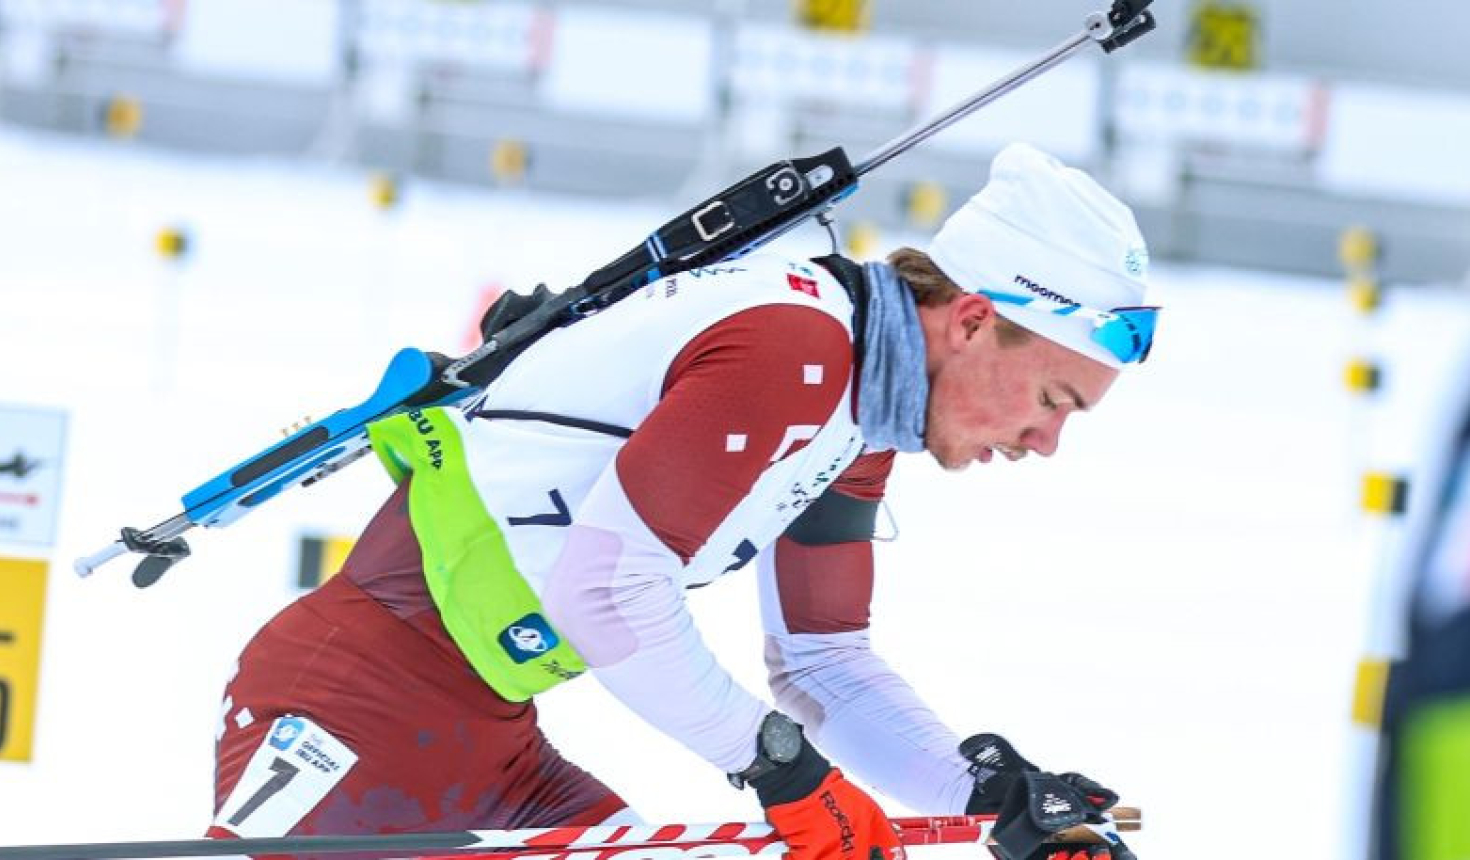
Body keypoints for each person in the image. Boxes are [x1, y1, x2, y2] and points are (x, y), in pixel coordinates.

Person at [207, 142, 1157, 860]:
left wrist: (995, 800)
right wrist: (786, 772)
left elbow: (824, 666)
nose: (1045, 444)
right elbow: (610, 587)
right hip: (352, 711)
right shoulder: (796, 351)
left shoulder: (861, 417)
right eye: (1050, 400)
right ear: (976, 319)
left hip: (491, 745)